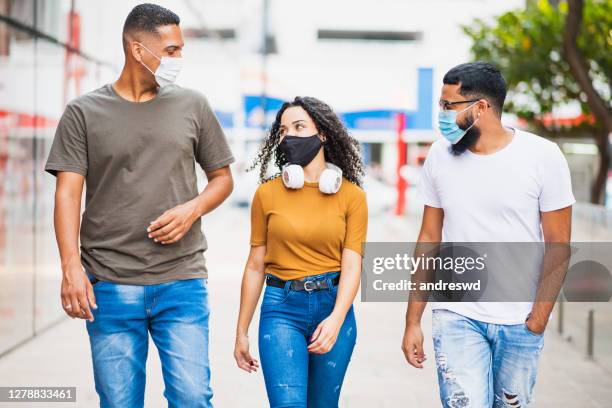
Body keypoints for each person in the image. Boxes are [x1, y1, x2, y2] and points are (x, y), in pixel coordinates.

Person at [44, 4, 234, 407]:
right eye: (171, 50)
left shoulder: (193, 106)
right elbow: (67, 193)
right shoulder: (83, 112)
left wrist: (193, 209)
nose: (178, 59)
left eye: (180, 49)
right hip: (109, 284)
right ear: (136, 49)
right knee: (118, 402)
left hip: (181, 281)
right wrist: (70, 267)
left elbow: (222, 179)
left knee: (193, 398)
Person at [401, 62, 575, 407]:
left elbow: (559, 245)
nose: (441, 114)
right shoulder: (439, 157)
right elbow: (428, 239)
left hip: (520, 321)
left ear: (481, 108)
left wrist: (537, 319)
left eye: (448, 105)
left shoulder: (542, 157)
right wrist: (412, 320)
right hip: (456, 316)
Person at [234, 96, 368, 407]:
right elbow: (255, 266)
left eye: (298, 126)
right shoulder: (266, 194)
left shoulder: (352, 197)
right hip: (281, 308)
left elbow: (352, 266)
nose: (289, 136)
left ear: (322, 134)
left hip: (333, 306)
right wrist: (241, 331)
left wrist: (336, 319)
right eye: (282, 131)